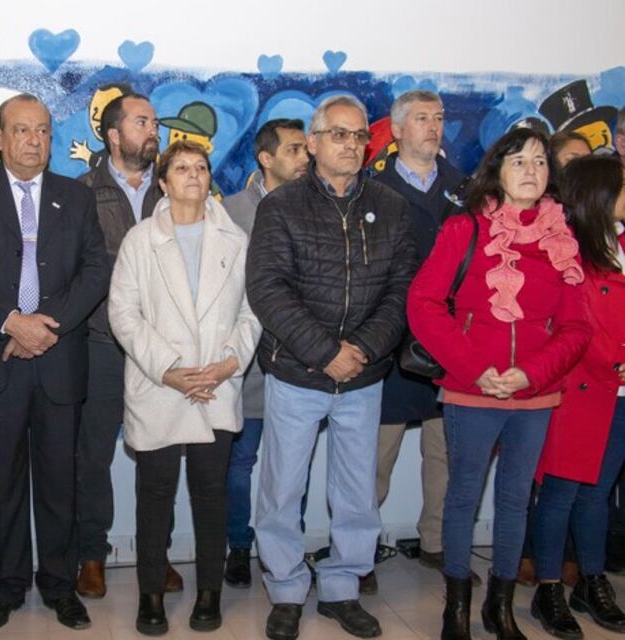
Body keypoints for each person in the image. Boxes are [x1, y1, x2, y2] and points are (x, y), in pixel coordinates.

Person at [407, 127, 591, 640]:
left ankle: (501, 605)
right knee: (462, 497)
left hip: (535, 394)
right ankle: (455, 609)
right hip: (472, 388)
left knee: (514, 502)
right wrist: (473, 367)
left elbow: (577, 328)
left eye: (539, 161)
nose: (530, 171)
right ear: (496, 170)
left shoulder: (562, 238)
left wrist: (531, 373)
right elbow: (423, 304)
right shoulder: (465, 229)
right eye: (518, 161)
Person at [247, 95, 417, 640]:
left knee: (356, 493)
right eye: (338, 134)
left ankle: (342, 586)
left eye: (358, 135)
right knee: (281, 490)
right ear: (314, 143)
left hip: (364, 377)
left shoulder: (391, 206)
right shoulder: (282, 206)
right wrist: (325, 352)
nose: (350, 144)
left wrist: (362, 350)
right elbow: (267, 289)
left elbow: (401, 290)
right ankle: (288, 588)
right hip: (297, 374)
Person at [0, 93, 110, 633]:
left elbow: (94, 271)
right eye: (21, 130)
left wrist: (42, 327)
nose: (34, 140)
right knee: (3, 484)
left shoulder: (76, 197)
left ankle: (60, 586)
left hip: (60, 360)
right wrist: (9, 321)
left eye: (42, 130)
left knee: (61, 482)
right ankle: (7, 587)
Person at [109, 139, 260, 634]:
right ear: (163, 182)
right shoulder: (139, 241)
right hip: (160, 387)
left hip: (216, 386)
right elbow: (124, 315)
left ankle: (210, 594)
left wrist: (225, 365)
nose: (193, 175)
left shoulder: (235, 240)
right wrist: (169, 369)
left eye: (201, 168)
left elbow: (250, 312)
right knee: (154, 495)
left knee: (211, 495)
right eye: (181, 169)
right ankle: (150, 595)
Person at [75, 92, 176, 599]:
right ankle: (91, 553)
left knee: (160, 452)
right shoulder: (81, 191)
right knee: (92, 453)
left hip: (165, 348)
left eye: (155, 122)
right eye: (142, 122)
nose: (154, 130)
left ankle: (157, 553)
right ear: (114, 135)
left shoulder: (175, 190)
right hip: (102, 342)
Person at [372, 90, 468, 583]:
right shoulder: (375, 188)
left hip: (451, 342)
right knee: (375, 460)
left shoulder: (465, 188)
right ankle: (359, 551)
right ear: (398, 129)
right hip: (392, 343)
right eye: (423, 119)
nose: (434, 127)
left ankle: (435, 543)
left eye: (439, 118)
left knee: (445, 451)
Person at [529, 154, 625, 639]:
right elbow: (578, 327)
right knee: (560, 495)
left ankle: (591, 580)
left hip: (619, 394)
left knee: (597, 494)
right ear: (600, 195)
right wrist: (616, 362)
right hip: (582, 390)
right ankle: (548, 587)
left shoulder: (620, 243)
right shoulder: (570, 253)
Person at [221, 117, 307, 589]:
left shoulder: (318, 207)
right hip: (250, 361)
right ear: (266, 158)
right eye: (294, 150)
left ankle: (288, 549)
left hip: (303, 359)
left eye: (305, 150)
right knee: (240, 462)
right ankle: (239, 545)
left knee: (295, 465)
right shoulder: (230, 212)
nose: (304, 159)